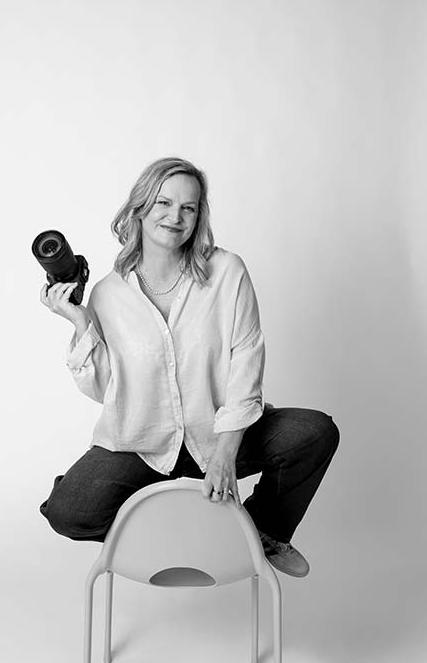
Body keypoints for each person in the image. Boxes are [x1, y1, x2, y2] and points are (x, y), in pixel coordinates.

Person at [39, 156, 338, 577]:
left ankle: (263, 530)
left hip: (216, 434)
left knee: (313, 432)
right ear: (140, 209)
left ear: (199, 217)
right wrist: (80, 320)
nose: (174, 217)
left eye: (188, 207)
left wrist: (226, 453)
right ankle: (180, 536)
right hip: (141, 444)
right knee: (69, 512)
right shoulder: (108, 294)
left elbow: (246, 361)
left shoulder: (227, 272)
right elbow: (105, 390)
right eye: (163, 203)